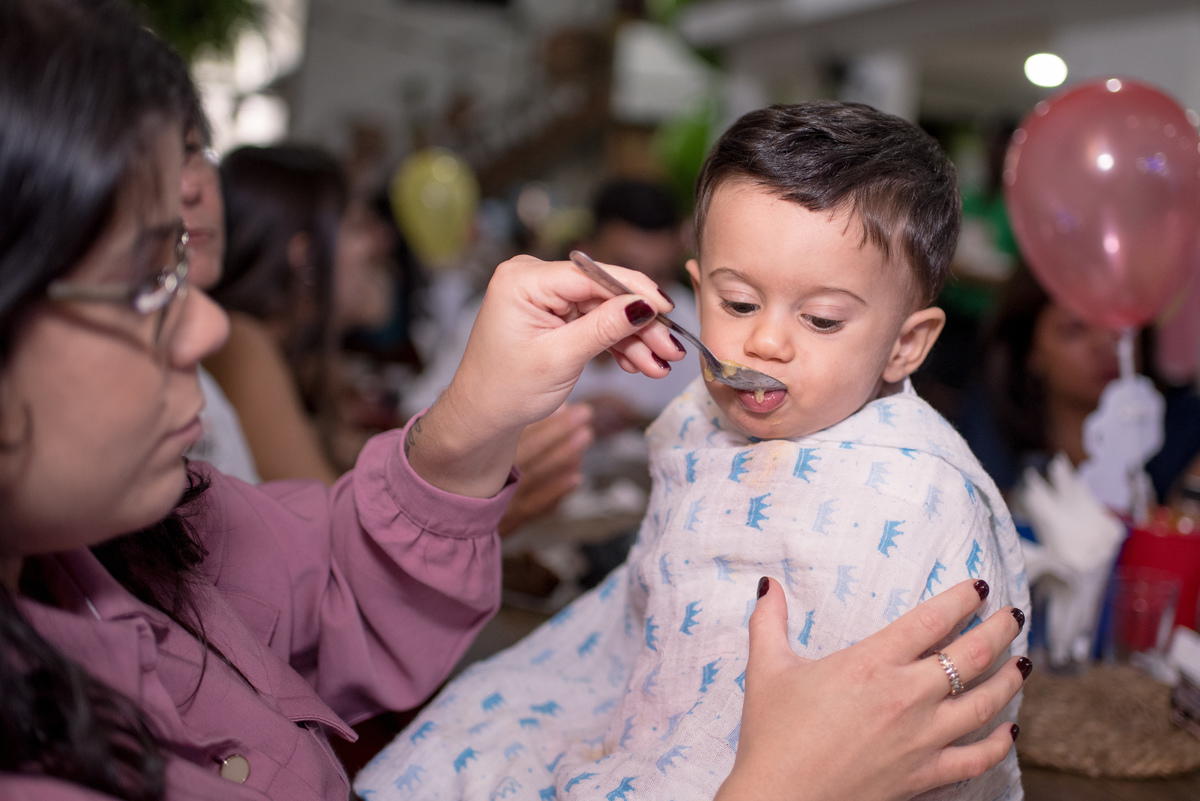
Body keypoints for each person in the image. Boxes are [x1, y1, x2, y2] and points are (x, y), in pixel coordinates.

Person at [0, 3, 1028, 799]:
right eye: (143, 279)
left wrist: (465, 428)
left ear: (908, 344)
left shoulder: (131, 540)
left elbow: (318, 584)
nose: (211, 325)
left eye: (821, 319)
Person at [354, 103, 1030, 801]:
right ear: (697, 289)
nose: (766, 341)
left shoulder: (917, 495)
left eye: (821, 318)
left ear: (905, 344)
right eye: (737, 303)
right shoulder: (695, 421)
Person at [958, 264, 1200, 504]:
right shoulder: (990, 420)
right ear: (1029, 352)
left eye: (1117, 322)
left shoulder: (1187, 424)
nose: (1106, 344)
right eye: (1074, 330)